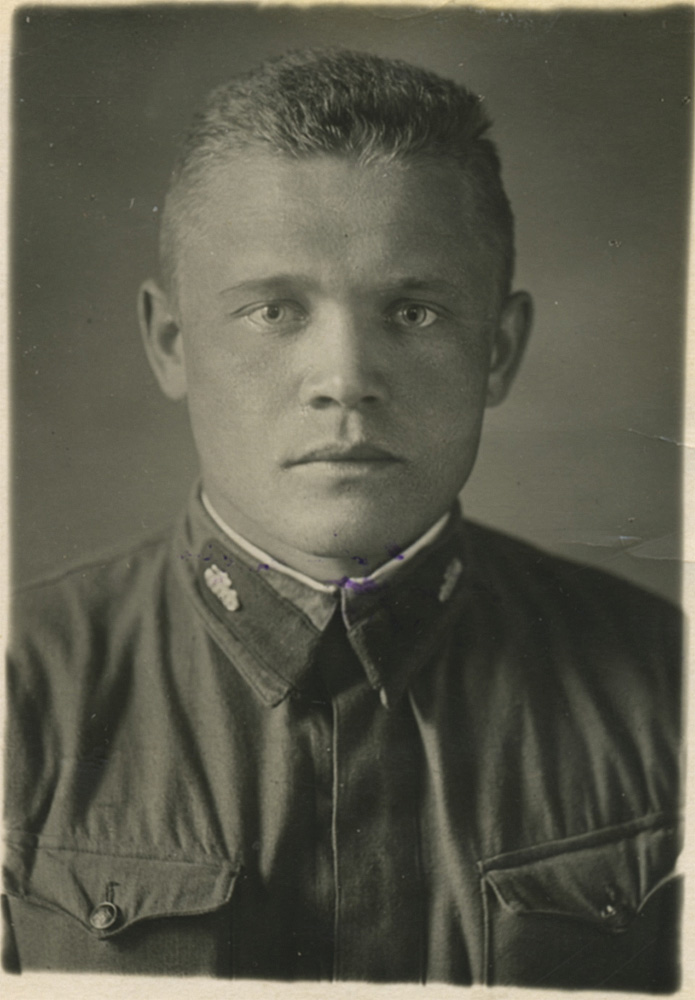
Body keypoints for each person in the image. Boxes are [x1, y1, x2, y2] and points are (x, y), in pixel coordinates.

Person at [3, 49, 682, 988]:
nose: (345, 380)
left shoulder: (666, 684)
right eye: (273, 310)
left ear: (498, 349)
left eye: (414, 312)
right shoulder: (21, 685)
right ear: (171, 343)